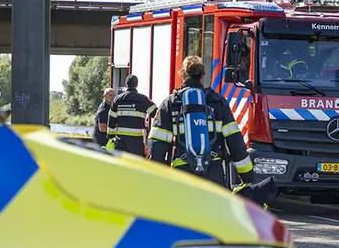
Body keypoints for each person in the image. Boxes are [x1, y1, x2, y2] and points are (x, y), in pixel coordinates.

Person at [148, 55, 256, 187]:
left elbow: (157, 146)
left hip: (182, 174)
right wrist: (247, 177)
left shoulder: (170, 103)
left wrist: (153, 179)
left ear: (182, 74)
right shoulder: (218, 102)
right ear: (202, 75)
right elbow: (235, 142)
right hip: (213, 173)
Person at [106, 74, 156, 156]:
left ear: (126, 84)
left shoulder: (117, 100)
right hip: (137, 144)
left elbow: (111, 122)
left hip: (120, 143)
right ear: (137, 84)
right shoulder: (143, 100)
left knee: (121, 166)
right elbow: (156, 114)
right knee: (136, 166)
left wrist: (111, 138)